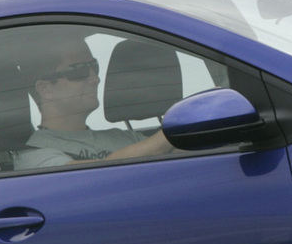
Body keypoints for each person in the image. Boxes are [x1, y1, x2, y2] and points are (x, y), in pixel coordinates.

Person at [10, 28, 174, 170]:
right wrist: (169, 135)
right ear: (45, 89)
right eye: (79, 71)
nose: (95, 79)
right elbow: (94, 176)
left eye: (94, 66)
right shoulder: (34, 155)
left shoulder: (126, 138)